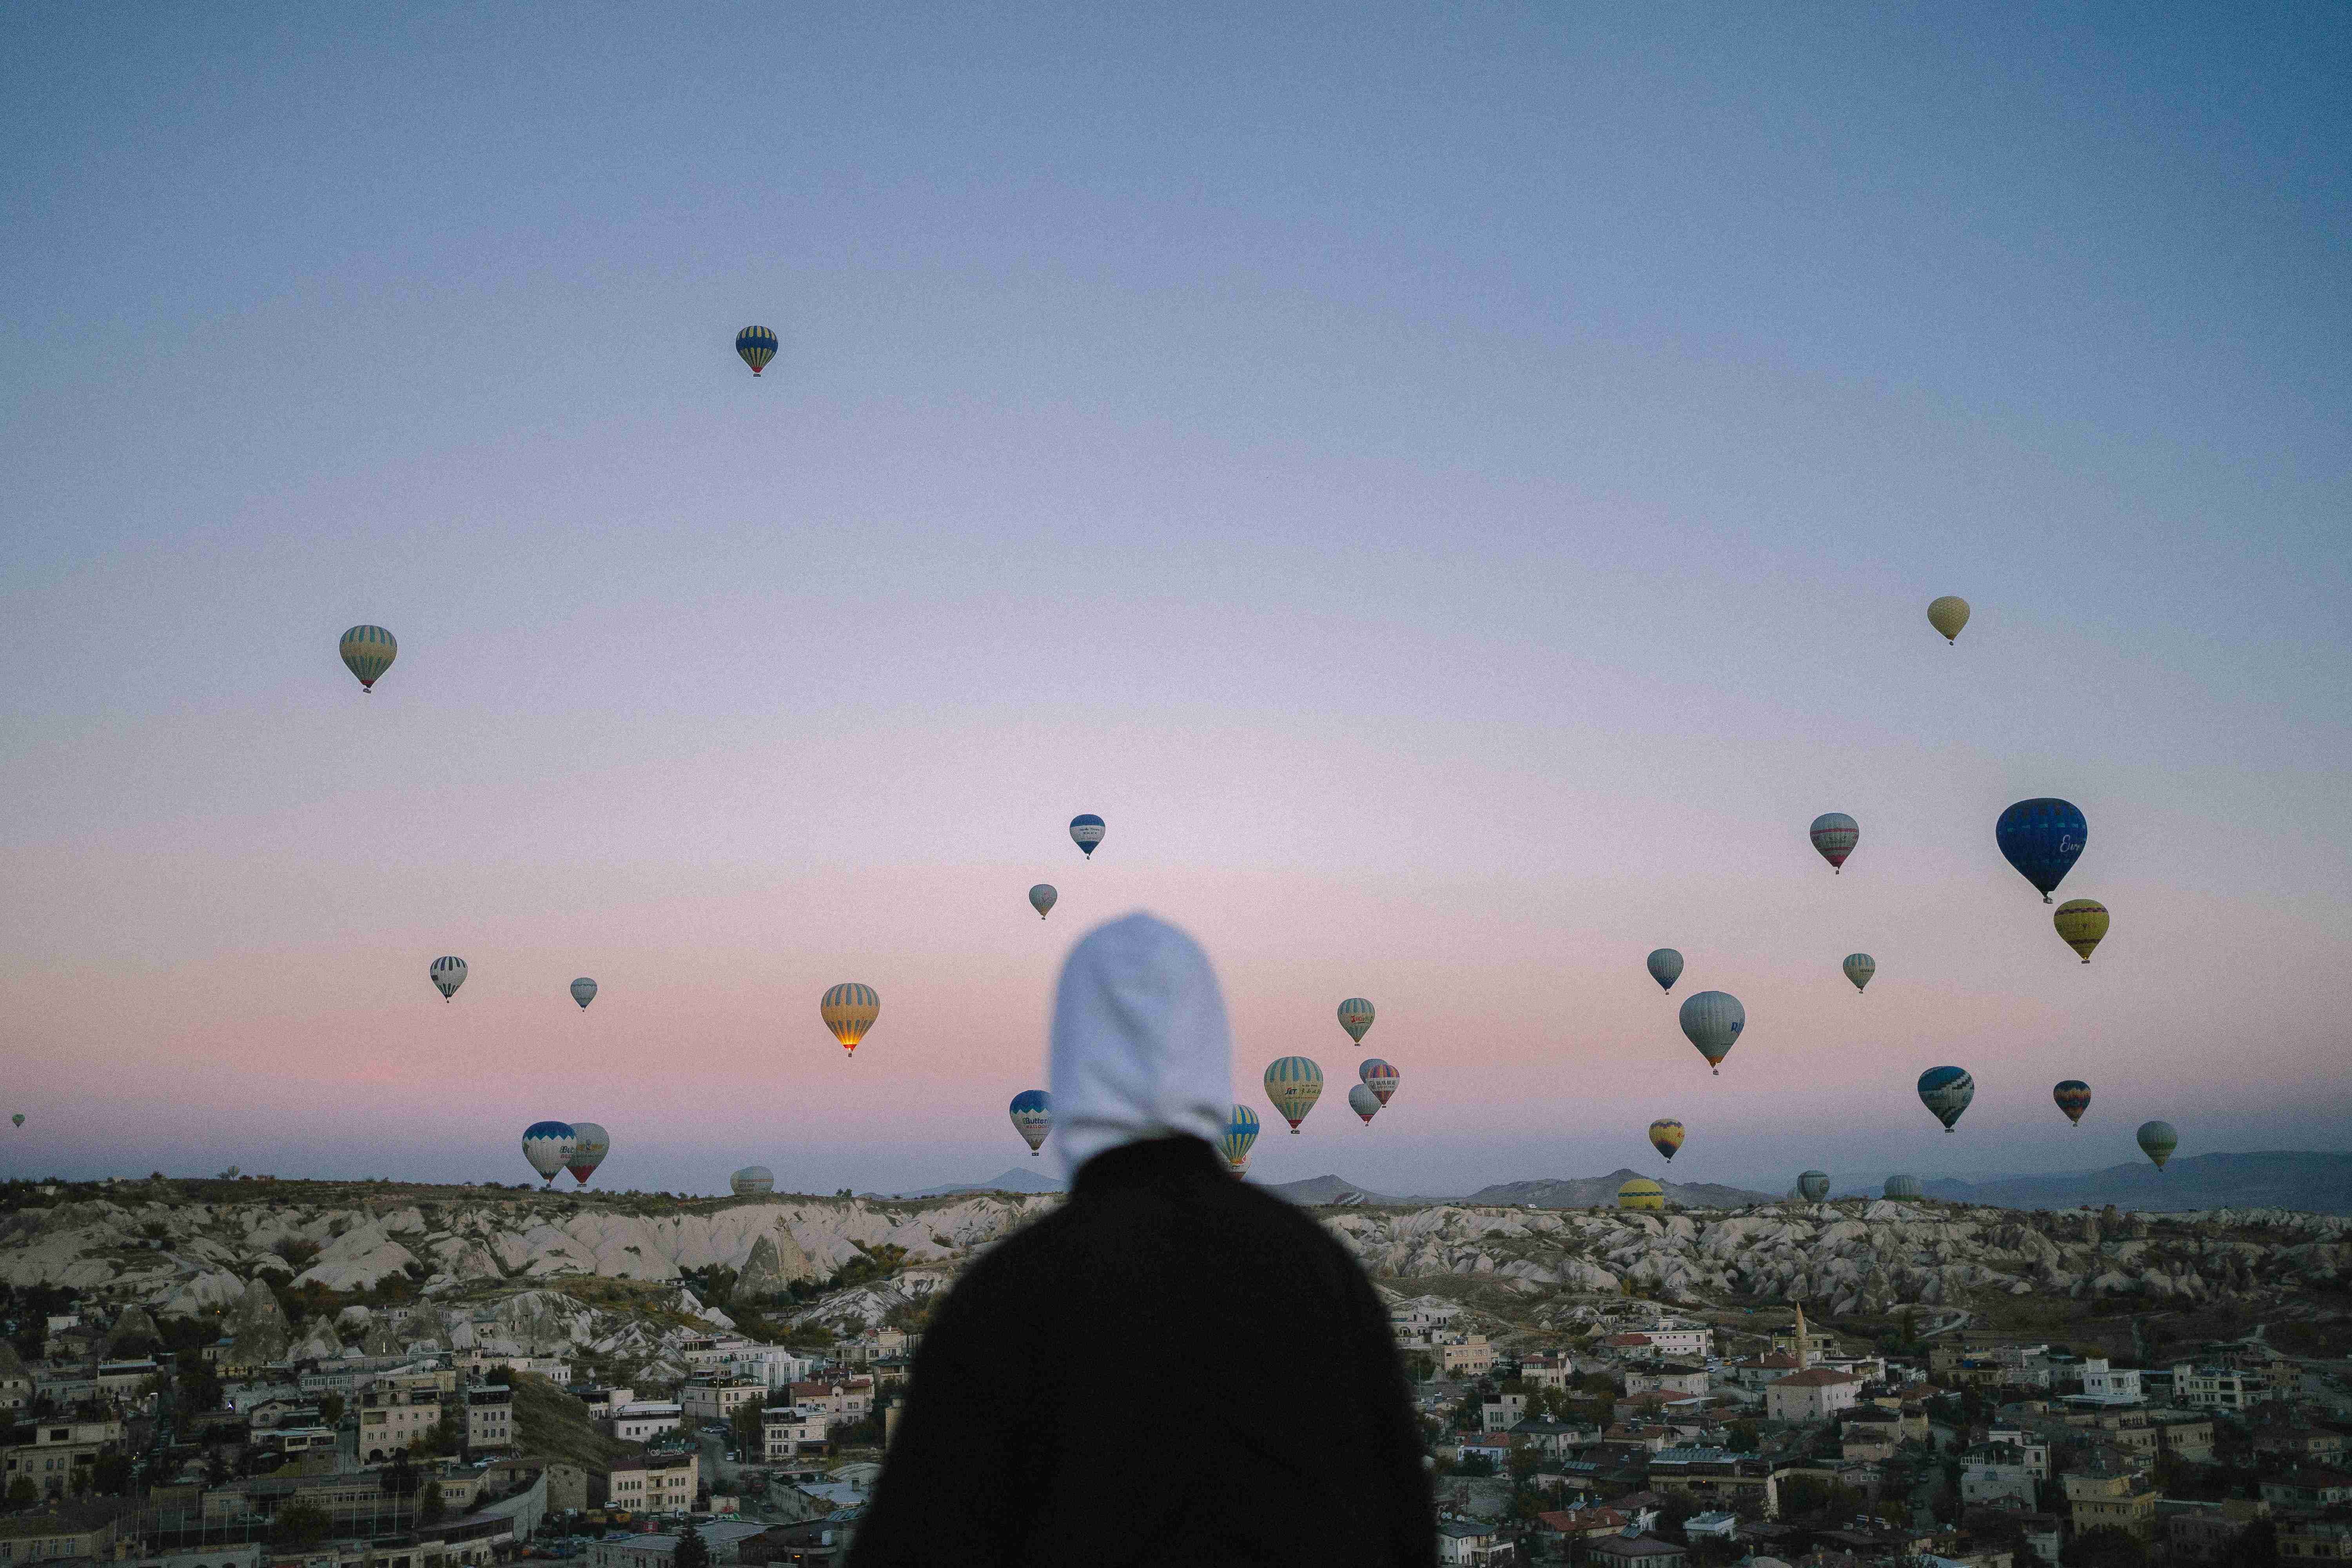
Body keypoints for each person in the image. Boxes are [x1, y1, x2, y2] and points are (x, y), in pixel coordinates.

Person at [847, 913, 1434, 1568]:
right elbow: (1407, 1524)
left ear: (1072, 1058)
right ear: (1211, 1047)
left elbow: (918, 1538)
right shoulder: (1324, 1273)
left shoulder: (1005, 1295)